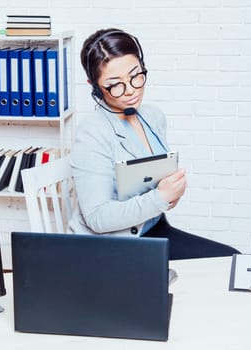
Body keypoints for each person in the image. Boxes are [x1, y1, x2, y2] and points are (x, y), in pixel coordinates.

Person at [69, 28, 240, 260]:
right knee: (226, 263)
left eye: (135, 75)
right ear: (95, 86)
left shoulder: (152, 116)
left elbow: (152, 183)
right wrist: (160, 198)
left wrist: (171, 193)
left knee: (232, 259)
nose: (130, 90)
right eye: (115, 84)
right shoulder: (92, 133)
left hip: (154, 231)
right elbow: (98, 218)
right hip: (113, 247)